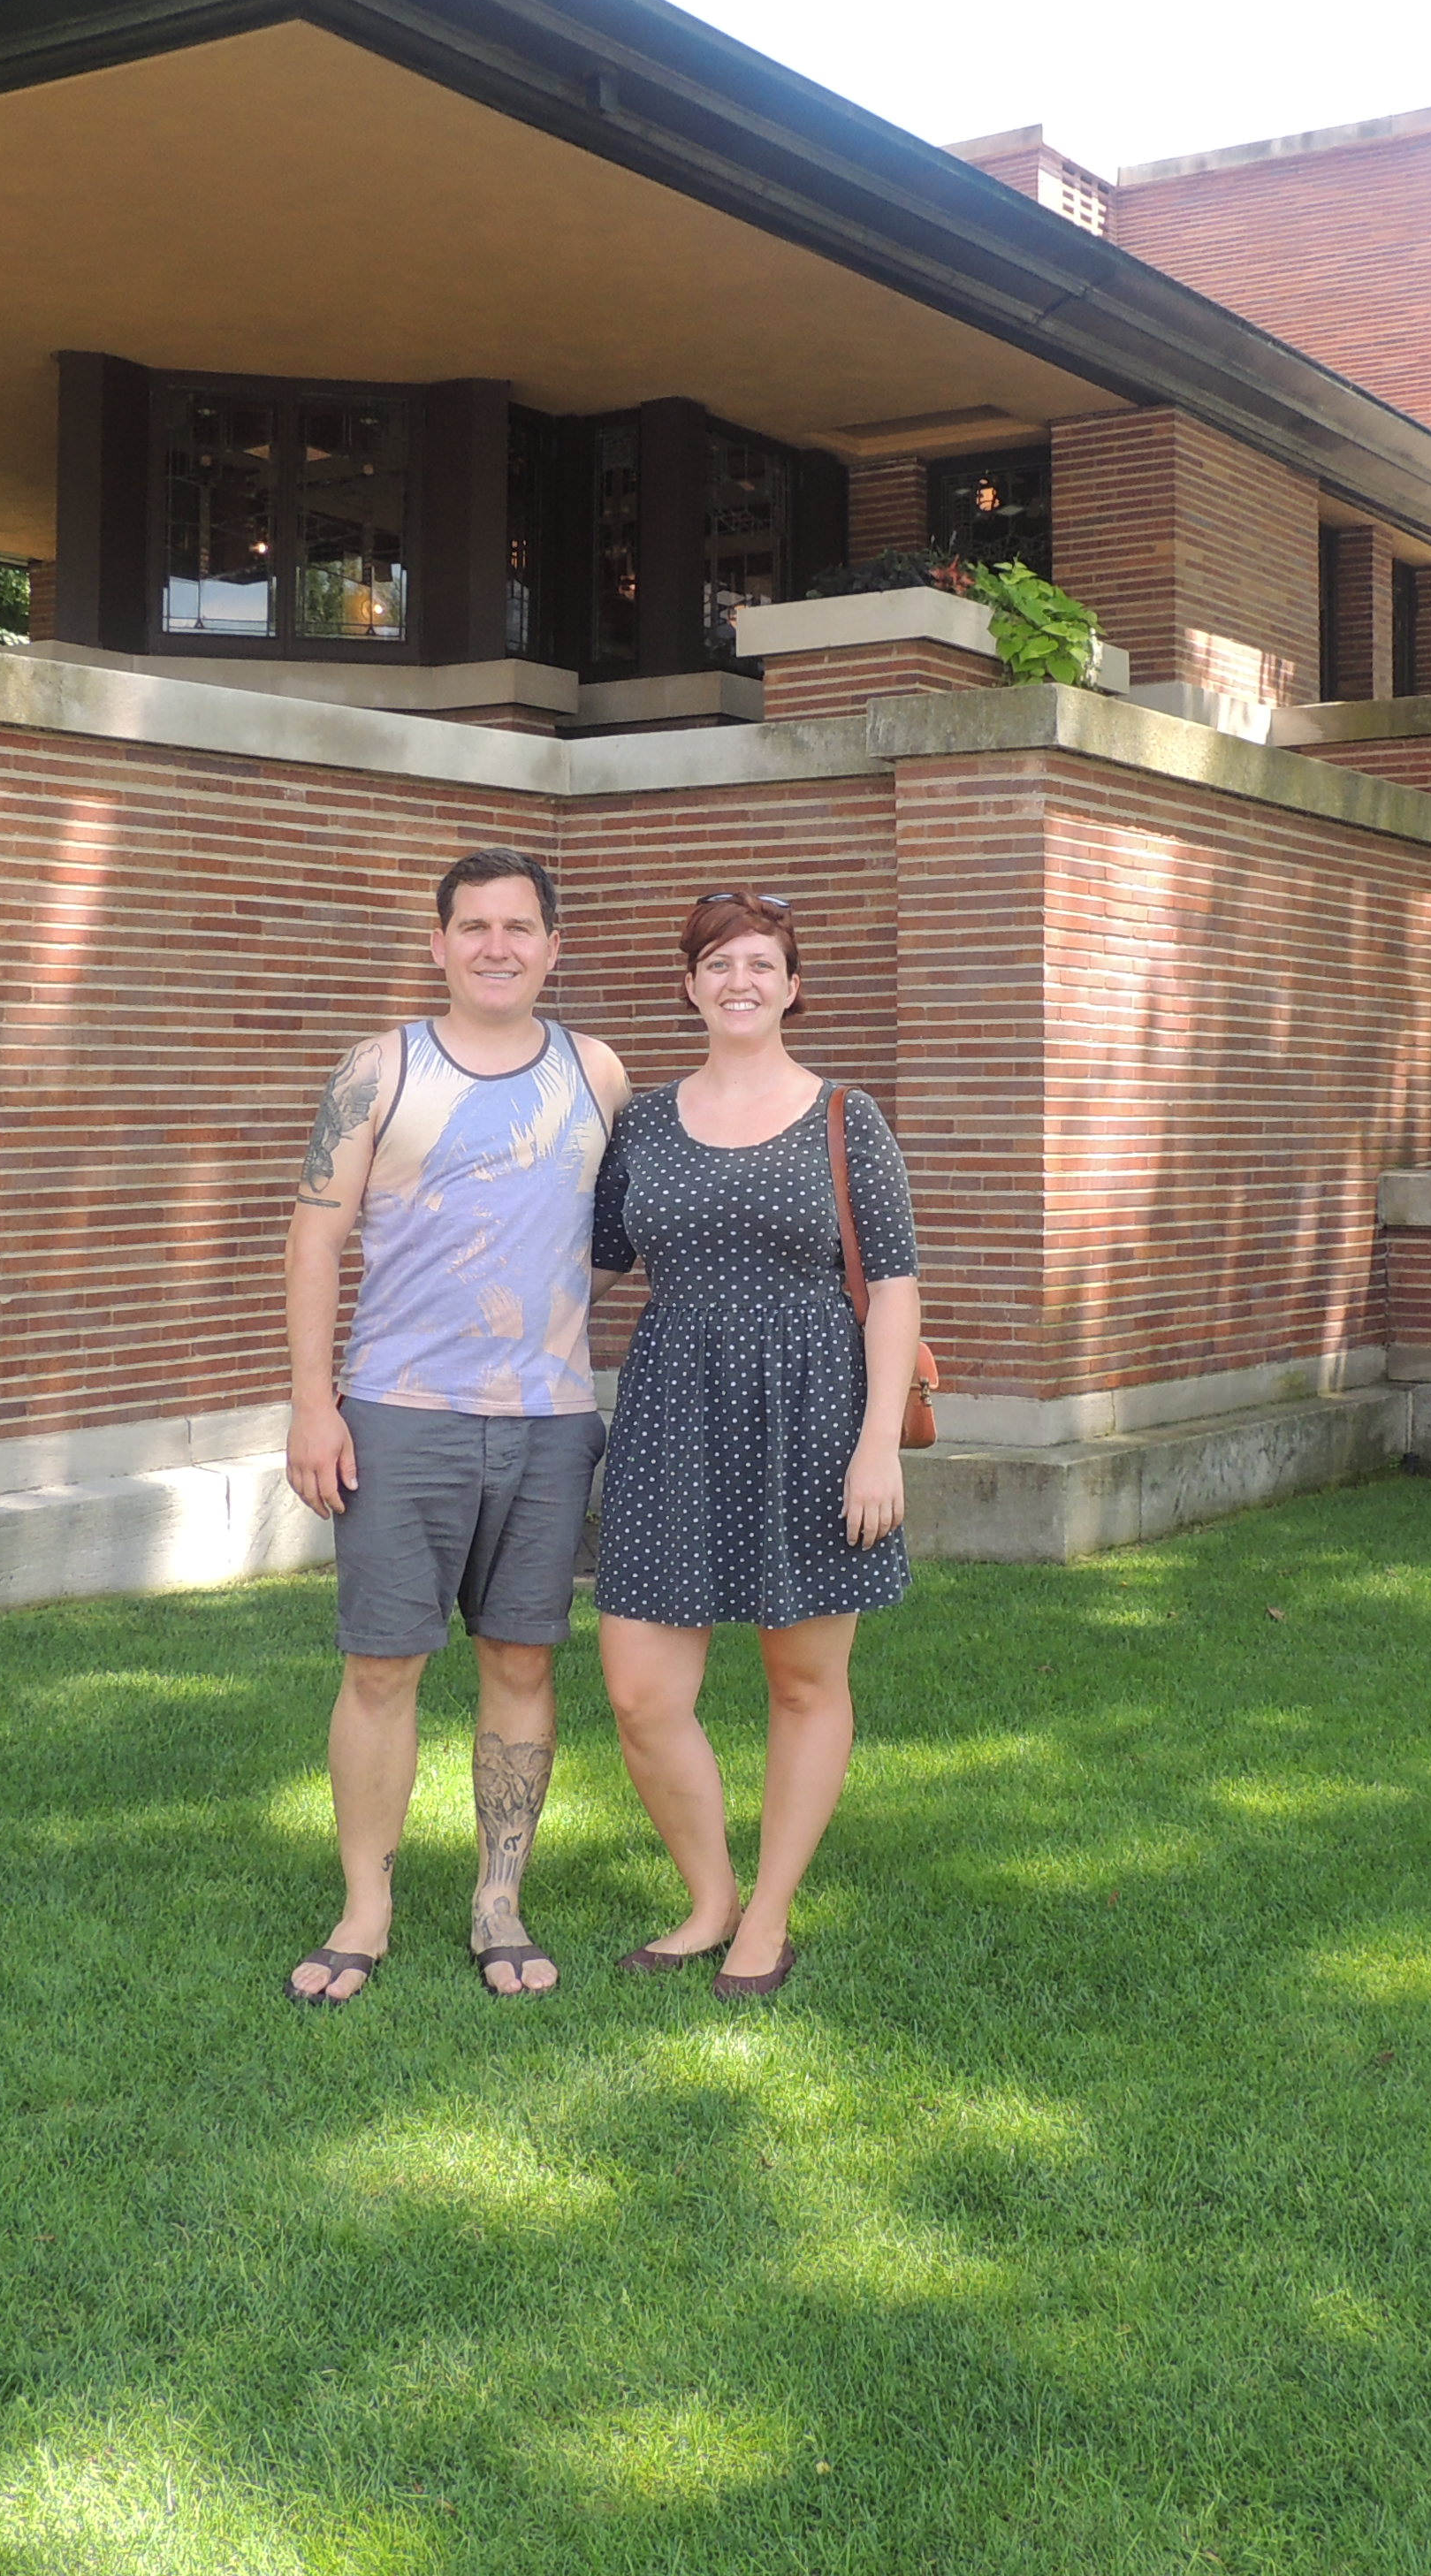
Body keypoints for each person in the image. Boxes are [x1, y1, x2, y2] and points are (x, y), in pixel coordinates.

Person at [280, 847, 630, 2007]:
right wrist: (314, 1404)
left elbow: (619, 1231)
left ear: (552, 948)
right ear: (438, 945)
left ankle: (499, 1901)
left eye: (518, 927)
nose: (496, 946)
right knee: (382, 1665)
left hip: (548, 1420)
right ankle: (365, 1908)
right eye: (474, 926)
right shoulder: (380, 1068)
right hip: (401, 1414)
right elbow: (316, 1237)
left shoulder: (596, 1073)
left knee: (522, 1659)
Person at [585, 888, 923, 2002]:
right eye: (719, 963)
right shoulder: (641, 1125)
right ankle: (709, 1900)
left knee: (804, 1682)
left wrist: (878, 1446)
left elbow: (895, 1289)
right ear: (690, 985)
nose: (740, 980)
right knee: (640, 1690)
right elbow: (588, 1262)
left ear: (792, 986)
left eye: (760, 963)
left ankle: (766, 1918)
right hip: (671, 1416)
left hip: (812, 1420)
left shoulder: (845, 1117)